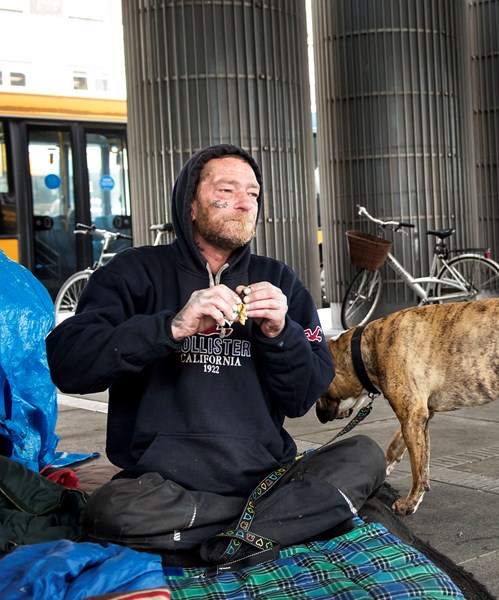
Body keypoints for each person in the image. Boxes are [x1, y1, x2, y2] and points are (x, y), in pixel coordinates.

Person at [46, 144, 386, 566]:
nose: (246, 203)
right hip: (163, 487)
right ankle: (267, 528)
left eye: (254, 194)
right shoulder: (132, 272)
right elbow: (69, 364)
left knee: (365, 455)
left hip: (265, 480)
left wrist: (281, 334)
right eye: (228, 189)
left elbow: (303, 398)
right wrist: (173, 327)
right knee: (110, 511)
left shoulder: (279, 282)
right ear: (190, 204)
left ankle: (218, 533)